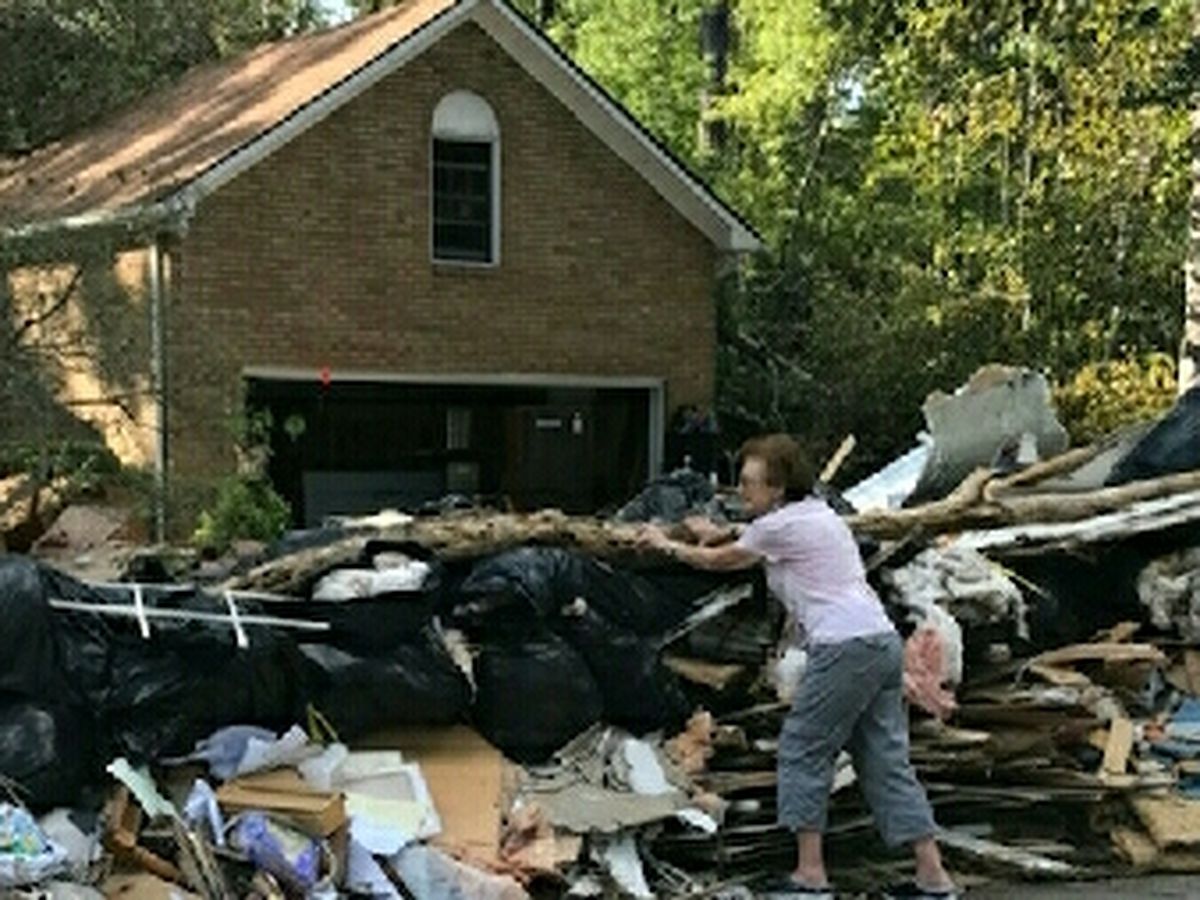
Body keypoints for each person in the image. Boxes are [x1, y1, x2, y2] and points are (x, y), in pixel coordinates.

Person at [639, 434, 957, 900]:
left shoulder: (779, 526)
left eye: (750, 483)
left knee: (803, 748)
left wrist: (664, 544)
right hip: (880, 641)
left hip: (843, 646)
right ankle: (933, 879)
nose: (741, 491)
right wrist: (714, 530)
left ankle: (810, 877)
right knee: (885, 760)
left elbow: (721, 561)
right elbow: (751, 537)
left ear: (778, 487)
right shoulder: (818, 514)